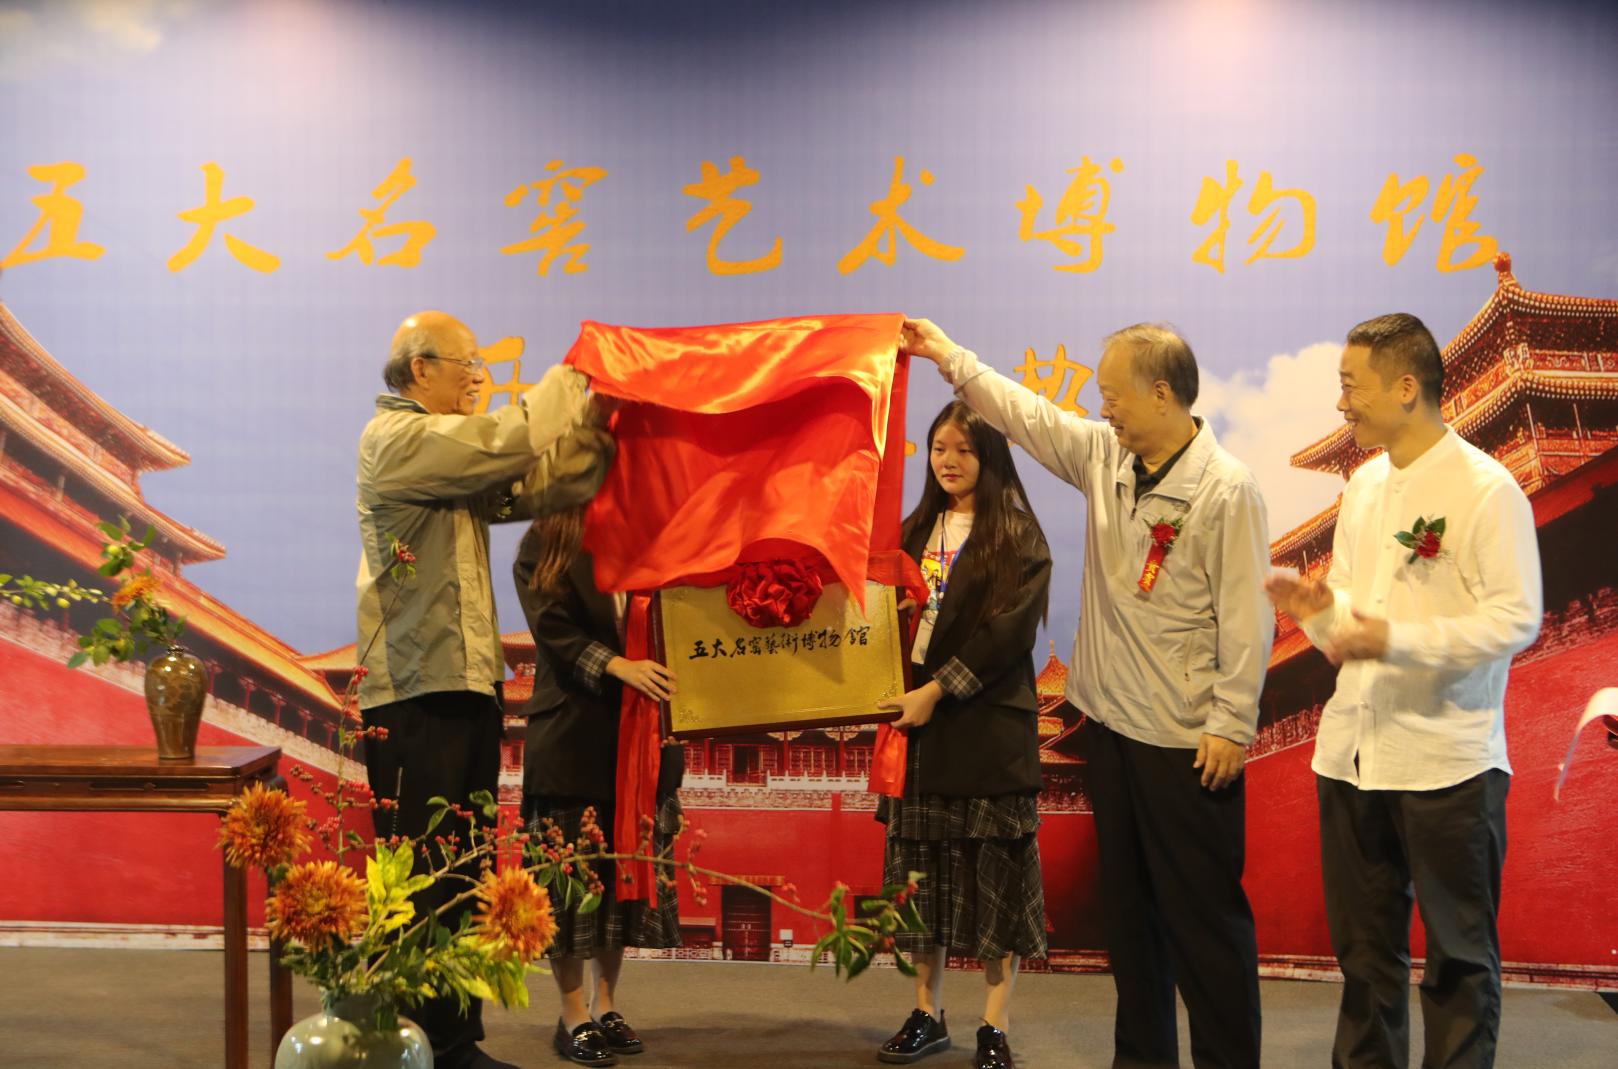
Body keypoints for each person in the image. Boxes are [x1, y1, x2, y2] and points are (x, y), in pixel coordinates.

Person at [901, 319, 1272, 1069]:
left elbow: (1247, 615)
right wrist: (948, 356)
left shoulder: (1227, 488)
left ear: (1161, 394)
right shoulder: (1106, 456)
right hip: (1108, 726)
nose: (1103, 408)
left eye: (1113, 394)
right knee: (1130, 922)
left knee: (1204, 923)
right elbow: (1025, 414)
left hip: (1185, 741)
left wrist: (1232, 721)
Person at [1266, 313, 1541, 1069]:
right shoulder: (1361, 486)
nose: (1341, 405)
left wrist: (1397, 640)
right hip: (1351, 757)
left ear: (1406, 387)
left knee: (1459, 962)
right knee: (1365, 961)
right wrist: (1317, 613)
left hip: (1448, 762)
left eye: (1350, 386)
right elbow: (1351, 626)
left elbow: (1516, 618)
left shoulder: (1487, 489)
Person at [356, 310, 615, 1069]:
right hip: (414, 691)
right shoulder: (399, 440)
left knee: (463, 868)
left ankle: (453, 1040)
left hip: (464, 682)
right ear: (419, 369)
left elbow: (545, 481)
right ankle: (415, 1040)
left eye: (480, 365)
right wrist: (578, 372)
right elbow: (510, 438)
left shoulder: (450, 457)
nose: (479, 376)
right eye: (466, 364)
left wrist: (603, 425)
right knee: (422, 872)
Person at [873, 401, 1051, 1069]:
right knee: (924, 882)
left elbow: (1008, 636)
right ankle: (927, 1012)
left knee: (996, 884)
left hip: (987, 728)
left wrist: (936, 689)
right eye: (939, 448)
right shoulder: (913, 529)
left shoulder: (1018, 535)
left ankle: (993, 1028)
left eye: (964, 450)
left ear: (990, 457)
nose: (948, 461)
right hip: (922, 732)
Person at [513, 508, 685, 1068]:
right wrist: (615, 664)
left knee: (619, 887)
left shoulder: (656, 534)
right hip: (571, 738)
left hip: (643, 738)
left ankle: (605, 1005)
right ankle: (572, 1015)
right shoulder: (547, 539)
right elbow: (551, 627)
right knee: (569, 889)